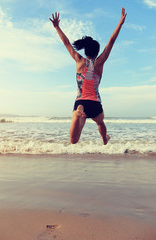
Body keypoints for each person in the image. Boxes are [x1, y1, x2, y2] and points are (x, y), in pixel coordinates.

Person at [50, 8, 127, 145]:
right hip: (95, 103)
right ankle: (104, 138)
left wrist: (57, 27)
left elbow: (66, 43)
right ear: (97, 51)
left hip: (81, 101)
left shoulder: (79, 60)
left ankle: (77, 114)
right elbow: (111, 41)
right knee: (100, 122)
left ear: (85, 51)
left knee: (74, 141)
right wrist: (120, 23)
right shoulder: (100, 62)